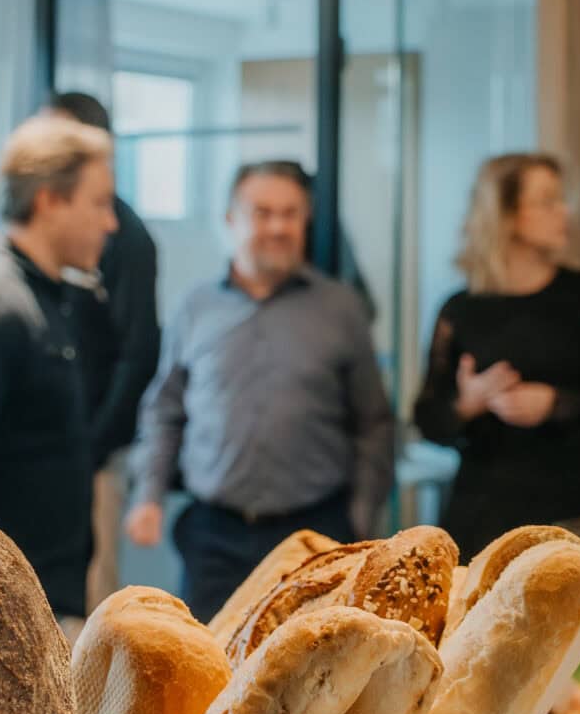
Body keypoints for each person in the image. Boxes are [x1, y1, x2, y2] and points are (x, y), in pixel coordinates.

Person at [126, 159, 394, 622]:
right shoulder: (196, 307)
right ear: (231, 220)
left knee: (317, 660)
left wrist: (361, 518)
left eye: (290, 214)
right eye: (263, 213)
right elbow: (165, 410)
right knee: (207, 660)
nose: (278, 227)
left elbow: (375, 423)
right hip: (214, 538)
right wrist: (148, 494)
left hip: (314, 535)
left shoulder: (341, 309)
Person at [413, 152, 580, 557]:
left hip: (569, 513)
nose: (565, 212)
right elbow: (427, 419)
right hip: (479, 516)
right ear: (506, 215)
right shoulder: (460, 310)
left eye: (562, 200)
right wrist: (468, 404)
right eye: (548, 201)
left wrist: (556, 404)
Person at [0, 112, 118, 629]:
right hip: (0, 610)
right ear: (49, 201)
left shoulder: (46, 297)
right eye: (100, 203)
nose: (110, 223)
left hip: (39, 598)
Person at [47, 91, 161, 609]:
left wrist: (91, 447)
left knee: (89, 607)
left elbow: (139, 354)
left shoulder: (124, 236)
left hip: (94, 457)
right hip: (49, 455)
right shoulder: (42, 240)